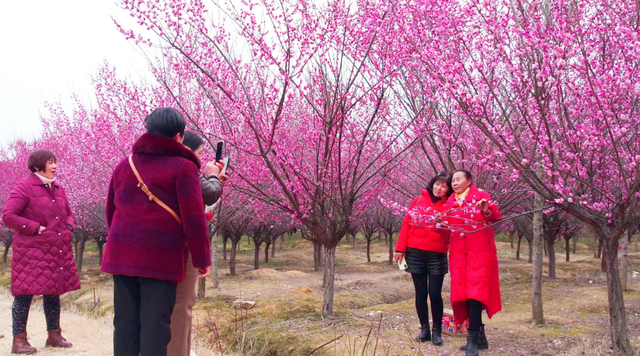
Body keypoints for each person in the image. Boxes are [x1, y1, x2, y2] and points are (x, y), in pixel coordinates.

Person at [101, 108, 212, 356]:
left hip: (122, 256)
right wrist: (202, 259)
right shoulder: (183, 167)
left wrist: (124, 243)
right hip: (160, 259)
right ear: (179, 136)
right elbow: (193, 219)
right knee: (156, 328)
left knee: (125, 326)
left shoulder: (124, 165)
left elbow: (111, 210)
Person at [2, 149, 79, 354]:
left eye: (55, 162)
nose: (55, 166)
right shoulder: (24, 188)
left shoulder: (58, 188)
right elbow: (8, 216)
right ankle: (19, 341)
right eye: (50, 162)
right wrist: (36, 228)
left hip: (55, 248)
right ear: (37, 166)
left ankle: (54, 334)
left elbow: (69, 214)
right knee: (25, 292)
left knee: (53, 290)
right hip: (31, 251)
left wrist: (68, 227)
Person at [168, 131, 228, 356]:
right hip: (182, 247)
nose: (202, 159)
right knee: (182, 306)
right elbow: (208, 197)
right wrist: (212, 177)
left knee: (180, 306)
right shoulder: (185, 168)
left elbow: (204, 204)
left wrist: (216, 181)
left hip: (164, 249)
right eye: (201, 153)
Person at [444, 169, 502, 356]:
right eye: (453, 180)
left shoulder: (481, 195)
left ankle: (472, 340)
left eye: (459, 179)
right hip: (459, 255)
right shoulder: (451, 202)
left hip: (480, 254)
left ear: (469, 181)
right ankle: (481, 338)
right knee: (464, 296)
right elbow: (446, 227)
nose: (455, 183)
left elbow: (496, 215)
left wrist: (486, 210)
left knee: (475, 294)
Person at [394, 172, 453, 346]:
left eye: (443, 186)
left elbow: (450, 231)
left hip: (437, 254)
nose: (439, 188)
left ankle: (436, 331)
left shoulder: (450, 206)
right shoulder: (418, 200)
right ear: (432, 184)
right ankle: (424, 329)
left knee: (435, 294)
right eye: (437, 184)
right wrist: (400, 248)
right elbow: (406, 223)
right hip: (415, 253)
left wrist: (441, 222)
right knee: (420, 293)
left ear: (447, 190)